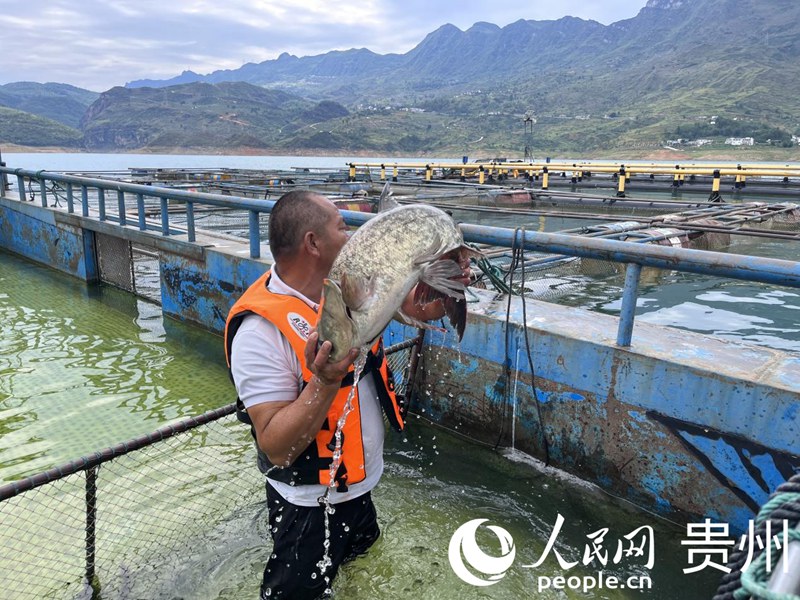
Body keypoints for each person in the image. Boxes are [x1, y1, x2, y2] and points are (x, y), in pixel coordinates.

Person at [224, 190, 471, 599]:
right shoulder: (259, 331)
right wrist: (323, 381)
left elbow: (420, 308)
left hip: (358, 487)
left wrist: (448, 286)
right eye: (342, 227)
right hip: (307, 506)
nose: (354, 235)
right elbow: (276, 446)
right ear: (313, 243)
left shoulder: (344, 287)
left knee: (360, 571)